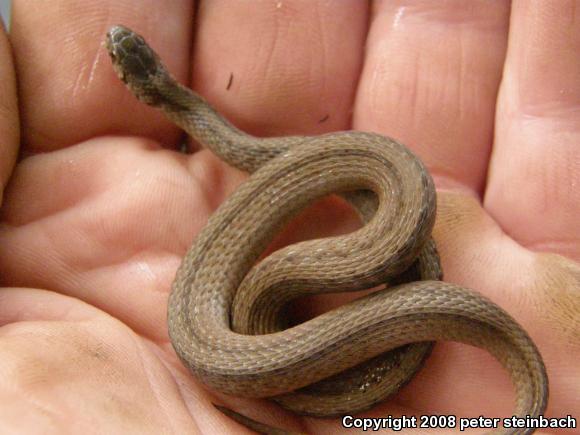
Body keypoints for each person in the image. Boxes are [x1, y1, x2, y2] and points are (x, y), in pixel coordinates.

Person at [0, 1, 577, 433]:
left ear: (146, 86)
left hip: (365, 229)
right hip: (244, 347)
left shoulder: (382, 188)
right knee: (259, 301)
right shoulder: (220, 333)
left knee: (379, 252)